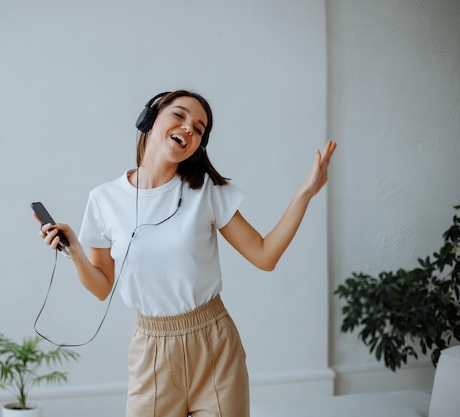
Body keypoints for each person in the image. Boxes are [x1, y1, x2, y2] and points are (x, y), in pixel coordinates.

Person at [36, 90, 336, 417]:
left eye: (199, 128)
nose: (189, 128)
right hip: (152, 350)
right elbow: (101, 287)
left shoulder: (206, 190)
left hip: (215, 345)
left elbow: (265, 256)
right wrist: (76, 251)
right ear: (149, 120)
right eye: (179, 115)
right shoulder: (104, 199)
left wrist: (306, 193)